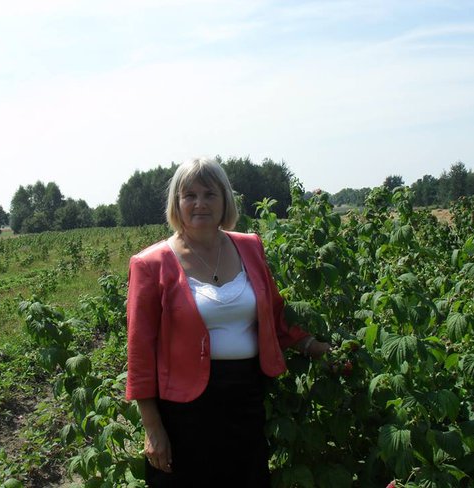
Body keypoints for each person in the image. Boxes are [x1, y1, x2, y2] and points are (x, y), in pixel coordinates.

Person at [126, 157, 330, 488]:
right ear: (177, 202)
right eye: (190, 195)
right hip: (184, 409)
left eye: (210, 194)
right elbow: (140, 352)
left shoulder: (249, 247)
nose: (200, 203)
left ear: (225, 200)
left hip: (245, 397)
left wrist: (311, 345)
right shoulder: (151, 264)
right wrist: (153, 427)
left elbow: (274, 314)